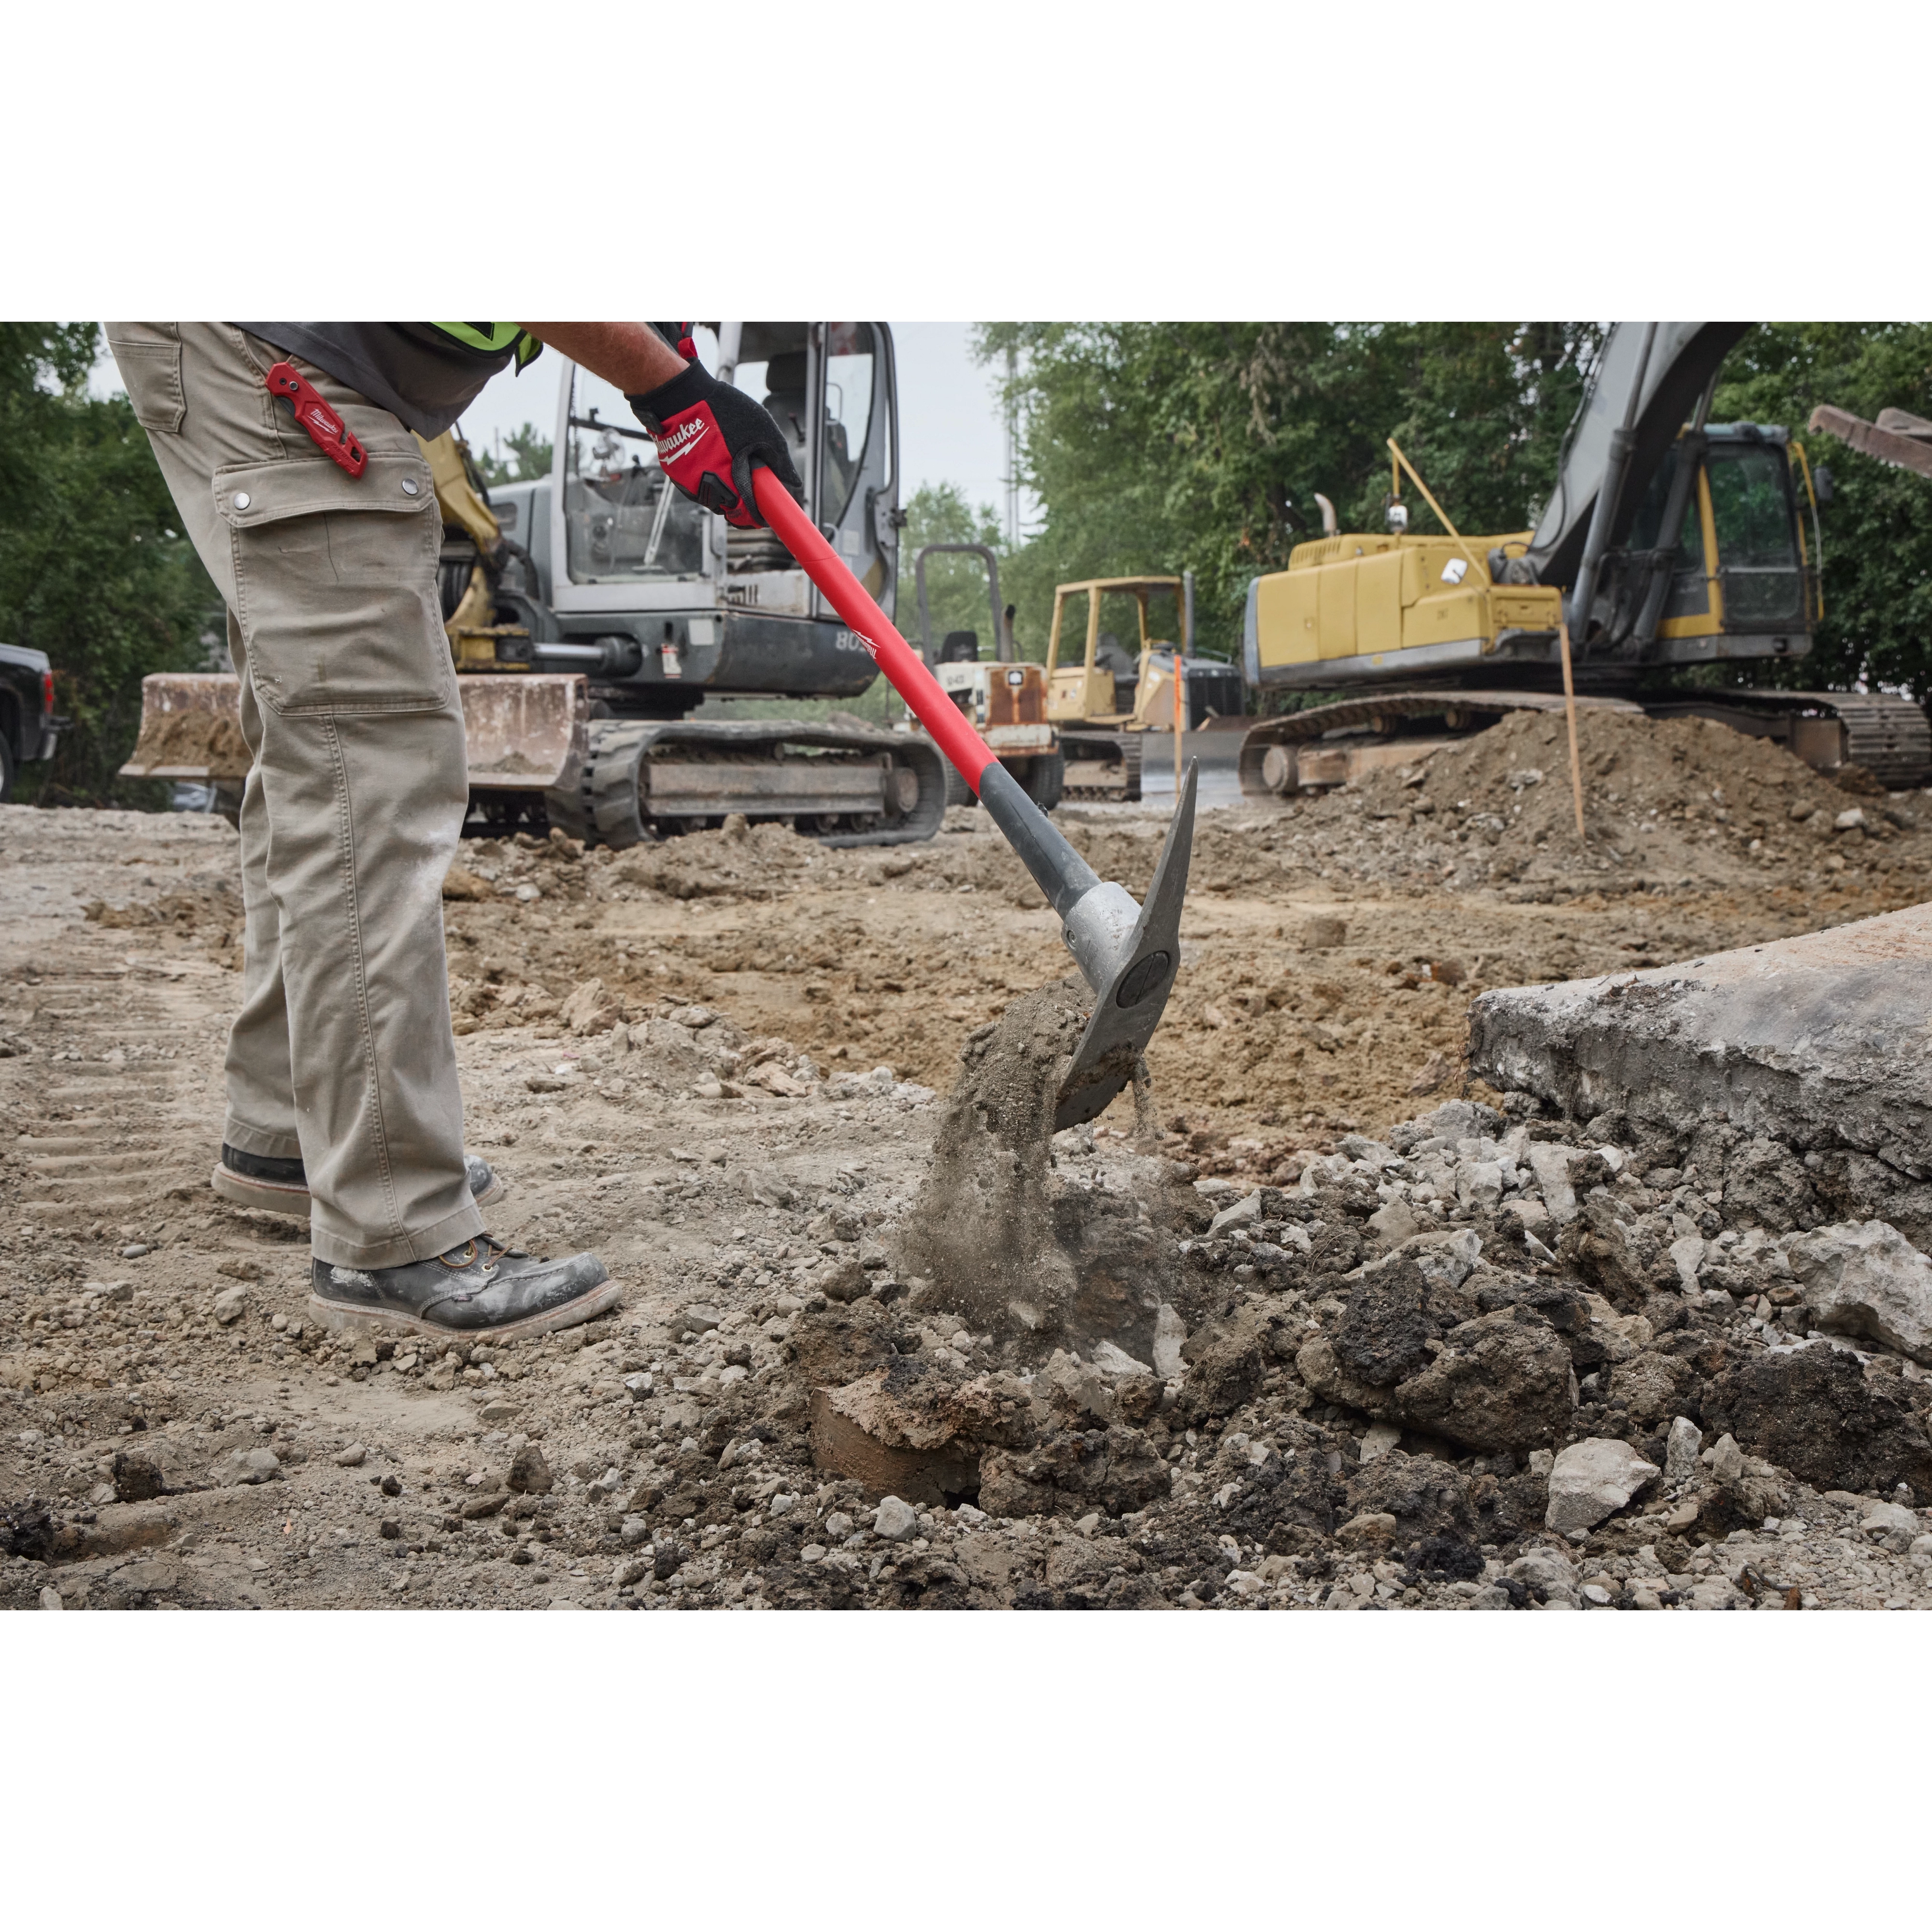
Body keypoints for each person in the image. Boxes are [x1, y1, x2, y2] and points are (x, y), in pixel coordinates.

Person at [103, 320, 802, 1341]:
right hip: (278, 353)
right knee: (366, 759)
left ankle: (290, 1133)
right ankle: (392, 1228)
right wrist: (666, 384)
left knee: (323, 743)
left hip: (251, 346)